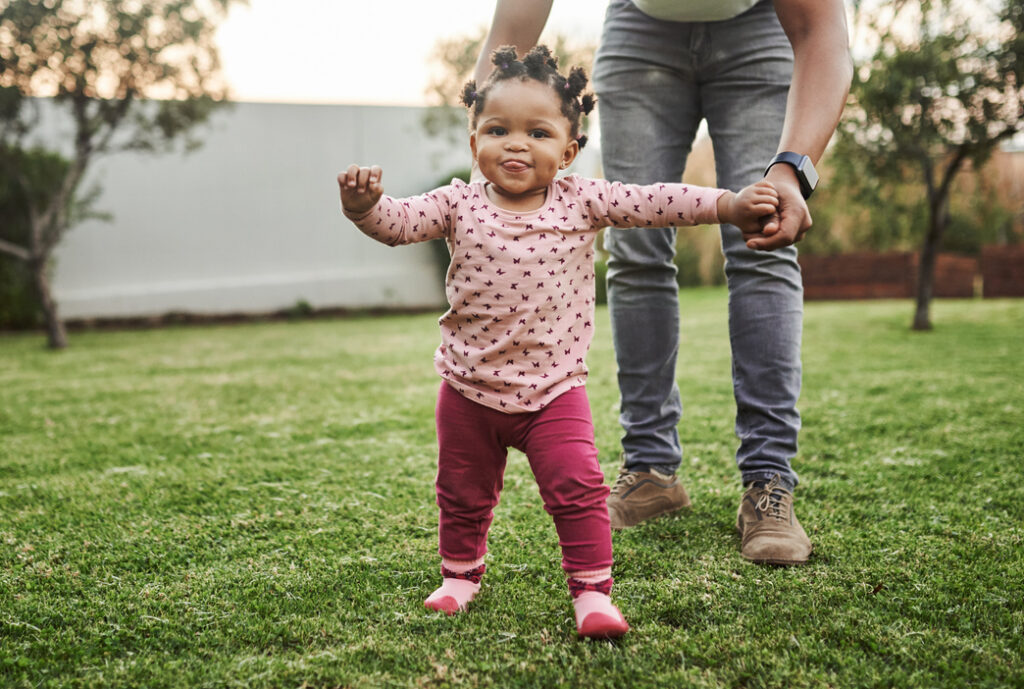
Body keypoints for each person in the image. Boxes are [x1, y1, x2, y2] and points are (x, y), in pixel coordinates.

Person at [338, 46, 779, 638]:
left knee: (578, 491)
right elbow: (398, 224)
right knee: (461, 493)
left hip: (553, 394)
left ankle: (593, 594)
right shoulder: (456, 203)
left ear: (568, 152)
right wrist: (364, 208)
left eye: (538, 132)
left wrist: (727, 204)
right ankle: (459, 576)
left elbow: (658, 201)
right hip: (468, 391)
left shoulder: (583, 200)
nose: (516, 143)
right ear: (474, 144)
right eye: (498, 129)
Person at [472, 0, 852, 565]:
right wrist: (485, 147)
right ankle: (650, 471)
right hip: (640, 31)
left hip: (760, 30)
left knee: (764, 238)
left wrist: (793, 169)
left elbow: (823, 32)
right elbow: (511, 31)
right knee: (635, 246)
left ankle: (769, 480)